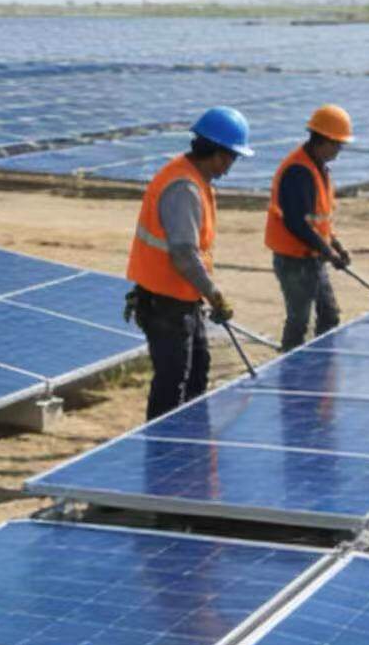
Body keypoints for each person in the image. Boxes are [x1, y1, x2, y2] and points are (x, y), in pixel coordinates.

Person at [128, 107, 251, 420]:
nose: (232, 165)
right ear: (218, 154)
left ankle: (189, 436)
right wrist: (214, 294)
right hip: (165, 304)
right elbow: (183, 252)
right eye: (233, 157)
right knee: (173, 383)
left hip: (181, 298)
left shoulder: (193, 177)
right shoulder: (184, 187)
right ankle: (163, 444)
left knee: (197, 369)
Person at [267, 105, 354, 349]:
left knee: (329, 315)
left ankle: (320, 362)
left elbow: (320, 219)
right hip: (294, 260)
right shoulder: (298, 171)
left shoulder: (318, 168)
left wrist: (336, 246)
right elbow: (297, 223)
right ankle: (290, 365)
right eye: (338, 145)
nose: (339, 151)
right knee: (299, 321)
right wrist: (329, 252)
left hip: (313, 257)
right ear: (323, 140)